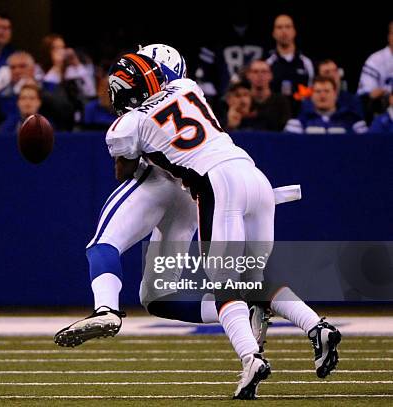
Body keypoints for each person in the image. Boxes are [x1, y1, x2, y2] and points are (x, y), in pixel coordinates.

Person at [71, 52, 341, 399]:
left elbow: (125, 171)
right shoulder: (187, 87)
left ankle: (250, 358)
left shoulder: (128, 124)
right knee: (252, 281)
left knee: (226, 283)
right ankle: (316, 326)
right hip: (254, 177)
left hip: (217, 186)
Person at [266, 14, 314, 114]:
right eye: (279, 27)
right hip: (273, 116)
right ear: (273, 33)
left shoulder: (307, 63)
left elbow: (311, 90)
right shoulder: (267, 63)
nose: (284, 31)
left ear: (294, 31)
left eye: (288, 27)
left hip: (301, 116)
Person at [285, 76, 368, 134]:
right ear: (311, 96)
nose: (322, 95)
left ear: (335, 94)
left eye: (327, 91)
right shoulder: (298, 123)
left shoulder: (354, 123)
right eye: (317, 91)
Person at [357, 21, 393, 123]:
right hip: (383, 111)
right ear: (389, 37)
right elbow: (370, 93)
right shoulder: (376, 60)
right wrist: (388, 93)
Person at [244, 59, 291, 131]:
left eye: (264, 71)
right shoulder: (242, 100)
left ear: (270, 75)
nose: (260, 75)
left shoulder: (281, 102)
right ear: (248, 75)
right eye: (255, 72)